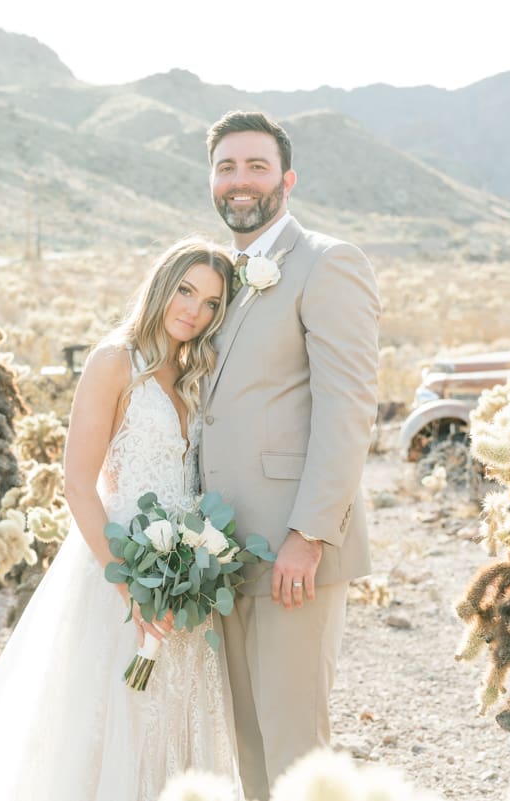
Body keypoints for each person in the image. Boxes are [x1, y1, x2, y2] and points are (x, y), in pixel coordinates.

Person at [0, 238, 244, 801]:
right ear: (161, 286)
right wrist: (130, 587)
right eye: (187, 291)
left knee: (174, 719)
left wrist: (197, 561)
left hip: (185, 574)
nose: (195, 311)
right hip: (118, 565)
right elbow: (78, 483)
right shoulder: (114, 361)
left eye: (213, 303)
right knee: (109, 723)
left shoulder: (194, 369)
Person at [200, 110, 381, 800]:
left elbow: (348, 407)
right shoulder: (218, 275)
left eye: (255, 166)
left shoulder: (328, 263)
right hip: (224, 549)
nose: (239, 181)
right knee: (247, 743)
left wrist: (308, 534)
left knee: (296, 748)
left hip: (292, 551)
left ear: (287, 180)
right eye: (226, 167)